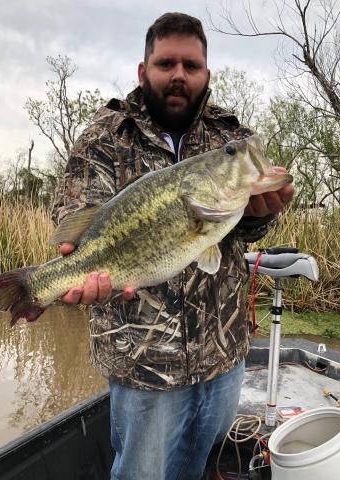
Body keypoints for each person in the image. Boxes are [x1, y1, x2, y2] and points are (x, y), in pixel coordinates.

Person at [52, 12, 294, 480]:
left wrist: (260, 216)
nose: (179, 74)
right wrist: (72, 269)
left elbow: (234, 231)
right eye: (166, 63)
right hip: (144, 368)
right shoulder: (104, 139)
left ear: (206, 74)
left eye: (191, 65)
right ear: (144, 72)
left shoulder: (230, 138)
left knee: (200, 466)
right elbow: (74, 223)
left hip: (223, 356)